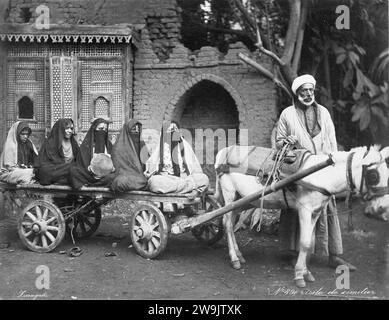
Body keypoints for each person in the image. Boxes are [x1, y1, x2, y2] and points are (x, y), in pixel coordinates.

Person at [276, 74, 356, 271]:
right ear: (297, 94)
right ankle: (293, 255)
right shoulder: (287, 114)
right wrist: (287, 142)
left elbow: (332, 140)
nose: (308, 94)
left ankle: (334, 255)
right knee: (296, 209)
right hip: (299, 171)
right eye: (304, 91)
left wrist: (334, 161)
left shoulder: (324, 113)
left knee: (329, 209)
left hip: (323, 170)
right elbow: (278, 142)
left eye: (311, 90)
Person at [145, 121, 209, 195]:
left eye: (174, 130)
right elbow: (151, 168)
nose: (172, 133)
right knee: (154, 182)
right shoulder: (159, 147)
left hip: (183, 178)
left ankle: (178, 189)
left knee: (204, 178)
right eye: (169, 131)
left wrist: (190, 177)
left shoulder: (184, 145)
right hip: (166, 179)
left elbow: (194, 168)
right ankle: (189, 189)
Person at [69, 118, 115, 189]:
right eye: (100, 128)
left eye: (105, 129)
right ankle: (97, 184)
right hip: (89, 175)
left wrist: (111, 168)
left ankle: (90, 185)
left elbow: (113, 163)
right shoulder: (86, 145)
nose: (103, 131)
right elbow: (81, 163)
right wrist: (88, 168)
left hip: (105, 176)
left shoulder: (108, 145)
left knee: (113, 176)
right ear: (94, 129)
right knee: (73, 171)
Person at [36, 118, 79, 185]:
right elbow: (44, 163)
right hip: (57, 169)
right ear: (60, 129)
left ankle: (62, 179)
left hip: (67, 169)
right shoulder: (50, 142)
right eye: (67, 128)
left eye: (71, 128)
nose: (70, 131)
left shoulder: (73, 143)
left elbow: (78, 159)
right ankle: (65, 179)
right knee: (44, 171)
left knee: (76, 169)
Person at [111, 119, 148, 192]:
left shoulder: (141, 144)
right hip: (124, 175)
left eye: (138, 130)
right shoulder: (118, 148)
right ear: (127, 132)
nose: (136, 132)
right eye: (133, 130)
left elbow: (146, 162)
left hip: (140, 175)